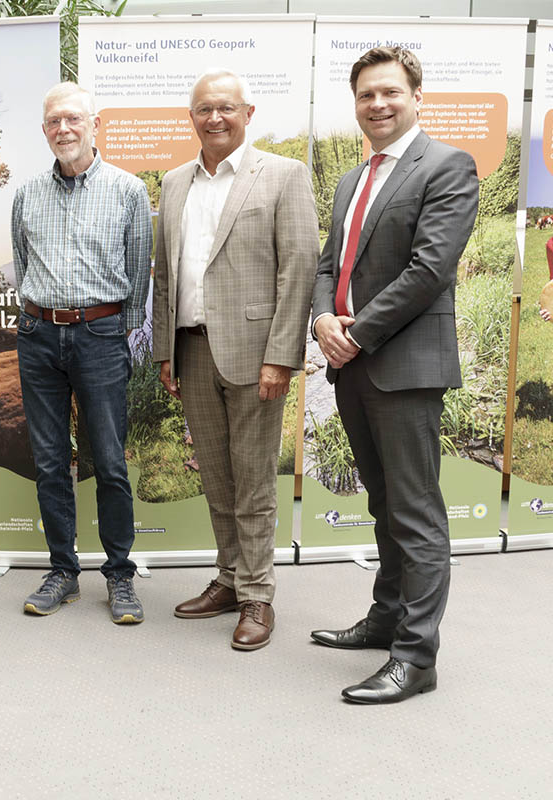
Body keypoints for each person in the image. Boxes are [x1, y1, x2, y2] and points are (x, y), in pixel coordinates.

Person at [310, 47, 478, 703]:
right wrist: (323, 319)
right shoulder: (353, 180)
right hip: (352, 365)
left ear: (416, 96)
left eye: (390, 93)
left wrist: (355, 333)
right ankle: (386, 618)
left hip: (402, 368)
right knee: (382, 504)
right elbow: (330, 264)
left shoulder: (447, 167)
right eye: (365, 96)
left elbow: (428, 270)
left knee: (416, 514)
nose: (377, 105)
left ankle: (416, 657)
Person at [150, 70, 318, 650]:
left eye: (225, 107)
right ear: (190, 118)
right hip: (191, 349)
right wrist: (164, 353)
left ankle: (257, 596)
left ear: (248, 112)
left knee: (252, 480)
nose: (214, 117)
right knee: (217, 477)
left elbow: (298, 268)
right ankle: (227, 578)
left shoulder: (283, 175)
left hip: (254, 356)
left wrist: (282, 357)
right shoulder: (173, 182)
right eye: (203, 109)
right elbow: (164, 274)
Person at [11, 82, 152, 624]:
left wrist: (125, 341)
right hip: (40, 337)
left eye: (73, 119)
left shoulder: (127, 191)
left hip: (100, 337)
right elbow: (24, 268)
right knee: (49, 462)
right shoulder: (26, 194)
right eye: (53, 122)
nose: (63, 130)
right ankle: (62, 572)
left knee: (111, 462)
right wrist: (35, 320)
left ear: (95, 125)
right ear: (44, 130)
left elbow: (138, 278)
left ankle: (119, 575)